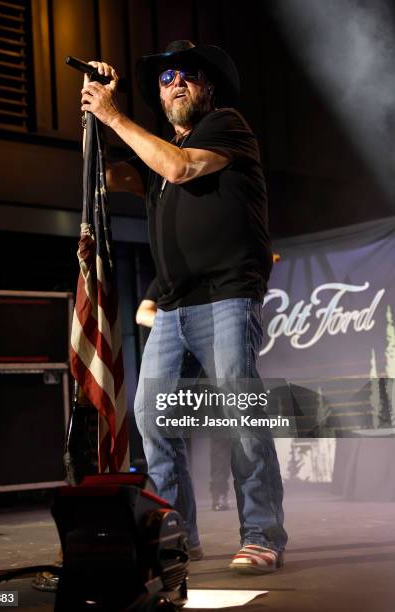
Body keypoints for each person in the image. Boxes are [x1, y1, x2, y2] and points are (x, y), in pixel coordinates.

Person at [80, 39, 287, 572]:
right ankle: (176, 535)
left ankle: (263, 534)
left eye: (187, 76)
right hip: (173, 307)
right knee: (151, 421)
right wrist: (96, 104)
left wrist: (114, 114)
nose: (174, 83)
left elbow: (179, 167)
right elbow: (106, 175)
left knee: (240, 414)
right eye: (166, 77)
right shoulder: (153, 151)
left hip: (226, 297)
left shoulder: (225, 127)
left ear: (207, 86)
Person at [136, 279, 231, 512]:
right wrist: (181, 327)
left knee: (222, 432)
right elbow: (142, 314)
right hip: (179, 365)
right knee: (163, 426)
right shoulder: (168, 277)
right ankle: (177, 520)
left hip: (212, 365)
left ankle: (219, 492)